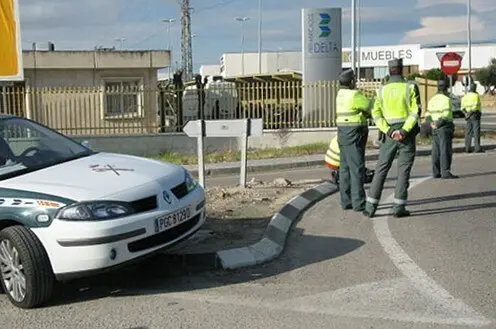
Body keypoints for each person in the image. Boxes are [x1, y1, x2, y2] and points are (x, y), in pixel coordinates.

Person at [363, 58, 421, 218]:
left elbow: (376, 114)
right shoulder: (411, 86)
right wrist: (403, 131)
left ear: (389, 70)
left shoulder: (381, 90)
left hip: (388, 136)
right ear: (402, 69)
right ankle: (398, 208)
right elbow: (416, 111)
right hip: (406, 136)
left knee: (381, 169)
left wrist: (389, 131)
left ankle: (370, 207)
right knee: (403, 172)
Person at [335, 69, 372, 211]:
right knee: (357, 168)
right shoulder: (354, 94)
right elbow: (369, 106)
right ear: (351, 81)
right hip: (355, 133)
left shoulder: (340, 94)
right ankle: (359, 202)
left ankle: (346, 201)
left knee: (344, 168)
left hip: (342, 133)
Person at [425, 79, 458, 179]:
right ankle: (445, 171)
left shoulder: (432, 99)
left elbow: (427, 115)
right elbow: (446, 114)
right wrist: (439, 123)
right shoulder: (446, 99)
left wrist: (432, 123)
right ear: (446, 88)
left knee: (436, 150)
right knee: (445, 149)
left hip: (434, 127)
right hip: (444, 126)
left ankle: (436, 172)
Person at [461, 83, 484, 153]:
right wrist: (470, 114)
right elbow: (475, 107)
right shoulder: (476, 96)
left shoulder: (465, 96)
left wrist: (466, 114)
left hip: (468, 116)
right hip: (475, 115)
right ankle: (477, 148)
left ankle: (467, 148)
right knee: (476, 132)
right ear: (474, 88)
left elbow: (462, 108)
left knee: (468, 133)